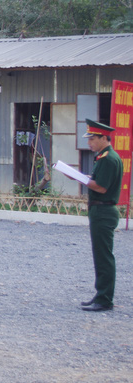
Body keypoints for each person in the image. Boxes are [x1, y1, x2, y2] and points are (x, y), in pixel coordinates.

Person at [79, 119, 123, 312]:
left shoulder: (108, 159)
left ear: (103, 138)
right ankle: (101, 294)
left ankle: (105, 299)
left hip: (103, 210)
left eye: (92, 139)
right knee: (100, 254)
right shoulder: (105, 157)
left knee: (103, 256)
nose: (89, 143)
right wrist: (81, 177)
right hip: (101, 210)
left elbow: (101, 187)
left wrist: (82, 179)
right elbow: (97, 180)